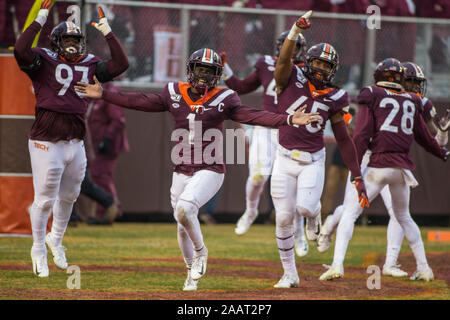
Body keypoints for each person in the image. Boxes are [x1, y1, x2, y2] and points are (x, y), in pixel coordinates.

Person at [75, 47, 321, 291]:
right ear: (190, 70)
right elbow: (140, 101)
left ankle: (202, 253)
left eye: (209, 71)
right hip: (181, 168)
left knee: (184, 209)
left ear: (217, 75)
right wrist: (104, 94)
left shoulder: (224, 98)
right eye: (200, 70)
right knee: (181, 225)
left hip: (210, 168)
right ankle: (191, 276)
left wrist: (287, 119)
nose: (203, 76)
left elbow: (251, 115)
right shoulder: (174, 92)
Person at [13, 1, 129, 277]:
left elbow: (121, 64)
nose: (73, 45)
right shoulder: (42, 61)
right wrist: (41, 16)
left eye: (76, 40)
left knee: (71, 195)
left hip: (74, 141)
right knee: (44, 198)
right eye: (67, 39)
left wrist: (107, 31)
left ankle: (56, 239)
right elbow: (20, 49)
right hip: (46, 140)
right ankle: (38, 248)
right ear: (56, 42)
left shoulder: (89, 64)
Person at [319, 58, 449, 282]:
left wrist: (356, 169)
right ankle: (424, 267)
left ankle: (339, 264)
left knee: (352, 211)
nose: (416, 87)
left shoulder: (373, 94)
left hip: (375, 162)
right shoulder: (413, 101)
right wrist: (443, 152)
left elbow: (361, 135)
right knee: (403, 216)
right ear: (401, 79)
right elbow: (427, 139)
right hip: (400, 167)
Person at [270, 11, 368, 288]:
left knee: (304, 207)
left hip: (312, 159)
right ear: (307, 62)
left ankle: (314, 215)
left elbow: (343, 138)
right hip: (283, 156)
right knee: (284, 218)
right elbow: (285, 59)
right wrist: (294, 30)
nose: (321, 69)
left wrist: (357, 176)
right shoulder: (289, 77)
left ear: (334, 70)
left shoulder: (337, 95)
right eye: (317, 63)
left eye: (327, 66)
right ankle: (289, 274)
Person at [221, 31, 310, 257]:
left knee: (296, 187)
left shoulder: (307, 71)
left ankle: (299, 231)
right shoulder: (266, 63)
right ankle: (250, 211)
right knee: (258, 176)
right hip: (266, 128)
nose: (285, 48)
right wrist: (225, 69)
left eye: (290, 45)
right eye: (283, 44)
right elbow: (241, 87)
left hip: (293, 131)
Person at [88, 81, 129, 224]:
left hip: (108, 143)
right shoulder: (94, 89)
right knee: (98, 176)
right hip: (95, 142)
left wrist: (107, 139)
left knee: (101, 175)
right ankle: (101, 213)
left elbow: (118, 119)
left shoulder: (111, 90)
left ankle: (112, 208)